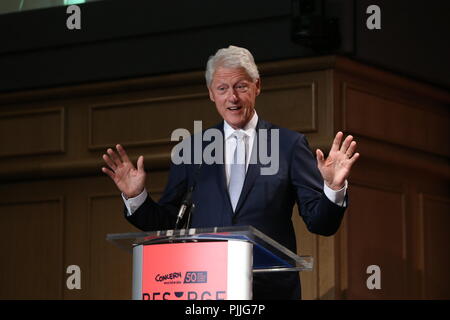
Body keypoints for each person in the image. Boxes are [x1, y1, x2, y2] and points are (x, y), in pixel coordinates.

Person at [101, 45, 359, 299]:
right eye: (222, 88)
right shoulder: (191, 149)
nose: (232, 97)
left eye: (241, 86)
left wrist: (333, 188)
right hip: (205, 289)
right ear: (211, 93)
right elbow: (169, 224)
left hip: (270, 290)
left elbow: (320, 223)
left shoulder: (288, 145)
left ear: (257, 86)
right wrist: (137, 197)